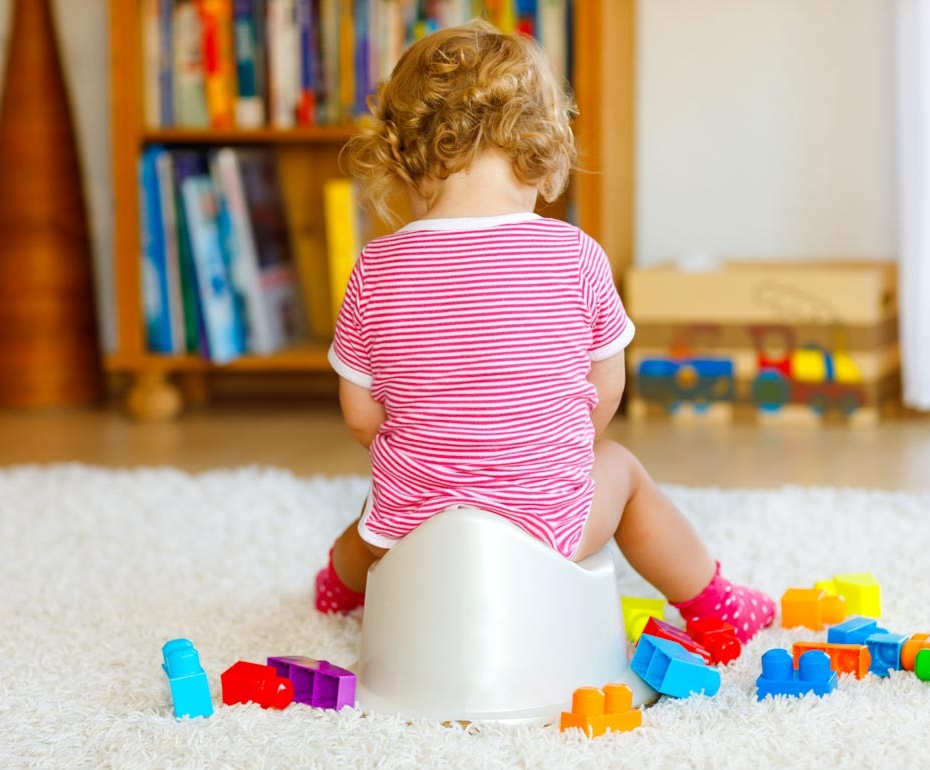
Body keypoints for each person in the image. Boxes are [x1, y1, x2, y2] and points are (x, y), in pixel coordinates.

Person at [315, 20, 775, 642]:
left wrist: (442, 452)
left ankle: (338, 587)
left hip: (414, 535)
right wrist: (546, 447)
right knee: (623, 470)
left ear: (403, 153)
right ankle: (714, 602)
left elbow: (361, 416)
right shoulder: (573, 253)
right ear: (544, 149)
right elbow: (605, 387)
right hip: (545, 527)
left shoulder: (376, 264)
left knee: (379, 506)